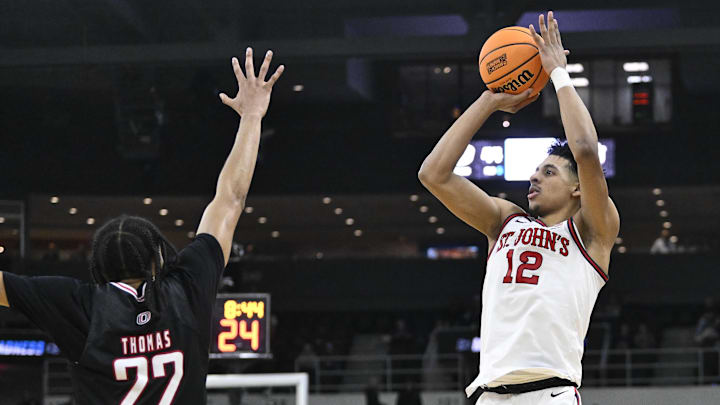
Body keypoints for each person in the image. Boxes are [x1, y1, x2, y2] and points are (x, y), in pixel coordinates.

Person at [0, 47, 284, 404]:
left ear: (99, 266)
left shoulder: (80, 305)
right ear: (156, 257)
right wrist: (252, 116)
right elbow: (230, 199)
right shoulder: (187, 287)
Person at [418, 11, 619, 404]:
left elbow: (583, 151)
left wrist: (558, 73)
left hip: (549, 393)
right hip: (489, 395)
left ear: (578, 188)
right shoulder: (504, 221)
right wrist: (487, 101)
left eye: (548, 172)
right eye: (534, 173)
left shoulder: (592, 233)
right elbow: (433, 174)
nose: (534, 179)